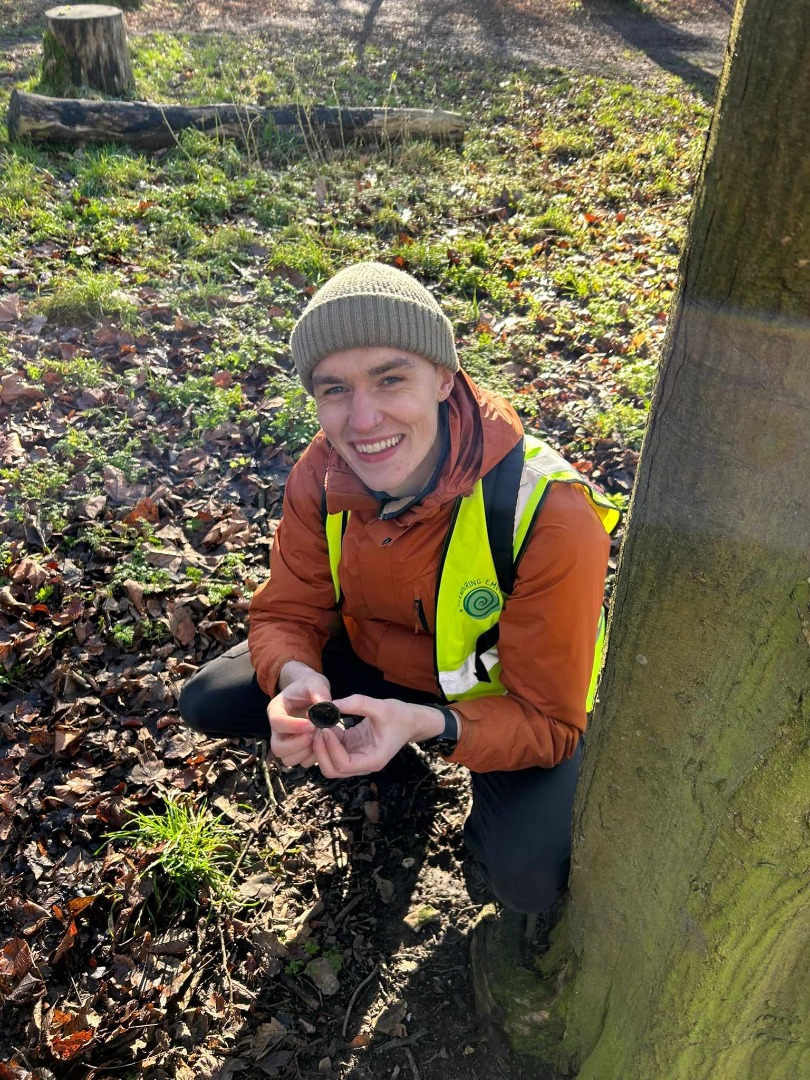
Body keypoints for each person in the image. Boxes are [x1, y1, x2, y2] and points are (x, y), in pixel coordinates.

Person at [180, 261, 617, 917]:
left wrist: (432, 725)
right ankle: (383, 758)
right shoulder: (323, 471)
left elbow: (549, 722)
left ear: (444, 378)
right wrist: (297, 675)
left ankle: (467, 818)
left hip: (506, 702)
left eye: (390, 379)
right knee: (211, 697)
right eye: (335, 389)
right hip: (378, 664)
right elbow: (286, 610)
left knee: (525, 878)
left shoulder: (549, 513)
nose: (363, 419)